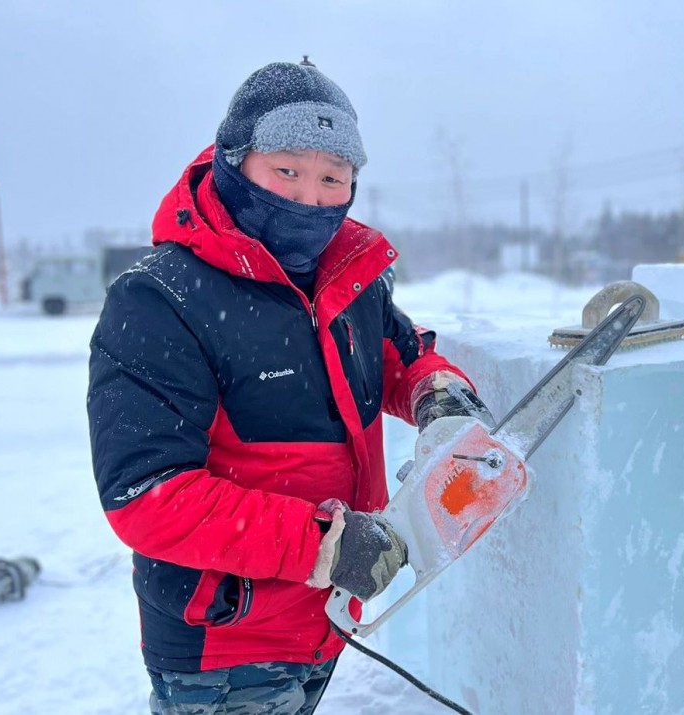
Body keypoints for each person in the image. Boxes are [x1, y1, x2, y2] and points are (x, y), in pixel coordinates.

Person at [86, 58, 493, 715]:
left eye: (333, 177)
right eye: (287, 170)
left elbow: (398, 355)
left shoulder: (349, 275)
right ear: (234, 160)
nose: (310, 198)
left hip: (325, 621)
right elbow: (147, 493)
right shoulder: (160, 297)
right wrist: (328, 545)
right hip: (223, 644)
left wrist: (438, 395)